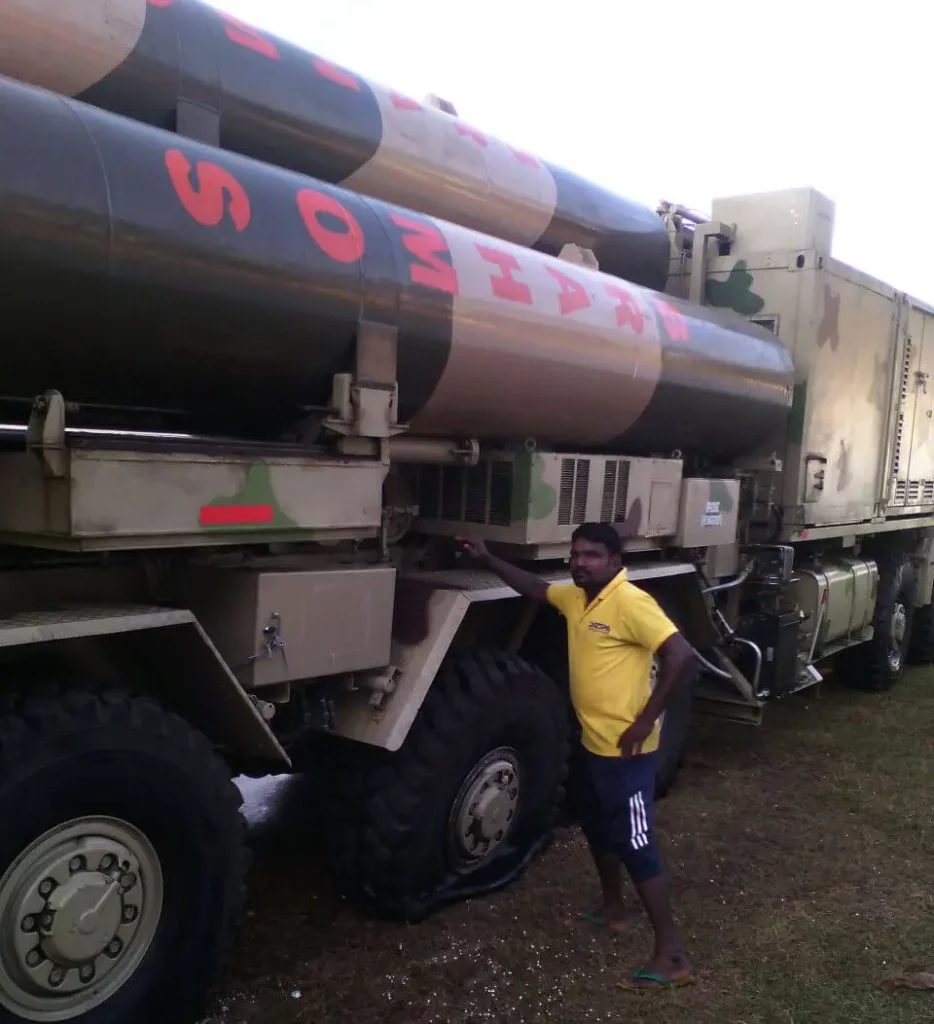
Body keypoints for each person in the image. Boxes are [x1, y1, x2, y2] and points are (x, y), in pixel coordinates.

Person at [456, 522, 694, 991]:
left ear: (614, 561)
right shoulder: (578, 598)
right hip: (593, 743)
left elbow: (680, 655)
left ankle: (672, 955)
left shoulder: (630, 602)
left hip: (629, 752)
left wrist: (646, 719)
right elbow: (534, 587)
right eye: (575, 553)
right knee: (595, 824)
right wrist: (486, 558)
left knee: (635, 842)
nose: (579, 562)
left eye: (591, 555)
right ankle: (613, 909)